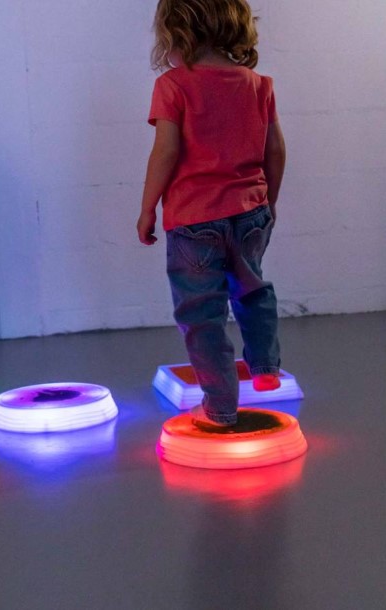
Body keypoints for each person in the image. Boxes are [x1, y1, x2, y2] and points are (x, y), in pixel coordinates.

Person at [137, 0, 286, 427]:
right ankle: (265, 367)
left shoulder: (174, 85)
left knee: (202, 313)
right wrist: (269, 201)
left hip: (194, 220)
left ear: (177, 32)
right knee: (253, 290)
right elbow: (275, 150)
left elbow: (166, 151)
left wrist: (147, 207)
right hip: (250, 213)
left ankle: (220, 407)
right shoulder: (258, 84)